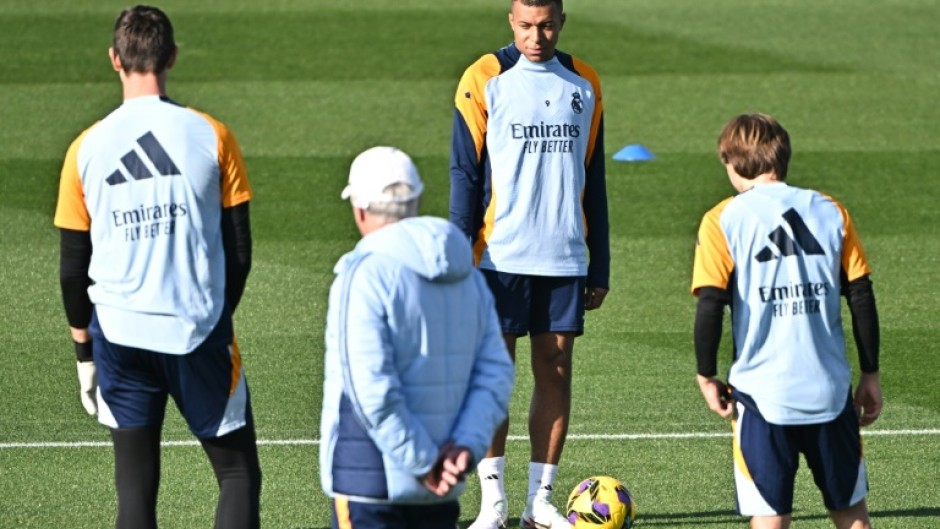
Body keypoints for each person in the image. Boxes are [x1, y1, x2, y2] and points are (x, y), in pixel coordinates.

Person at [53, 6, 261, 529]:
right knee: (236, 473)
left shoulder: (84, 150)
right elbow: (239, 250)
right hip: (196, 331)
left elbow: (73, 269)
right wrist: (214, 314)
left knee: (135, 492)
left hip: (119, 336)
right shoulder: (212, 135)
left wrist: (85, 353)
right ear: (171, 56)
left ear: (114, 60)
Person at [448, 0, 609, 527]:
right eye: (525, 26)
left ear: (562, 22)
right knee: (494, 376)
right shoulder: (484, 77)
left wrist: (599, 262)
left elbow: (595, 180)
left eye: (545, 26)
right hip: (498, 256)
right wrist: (457, 252)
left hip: (563, 255)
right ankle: (491, 503)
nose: (535, 36)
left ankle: (538, 502)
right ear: (510, 22)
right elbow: (464, 173)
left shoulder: (584, 82)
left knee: (555, 370)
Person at [691, 113, 883, 529]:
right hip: (830, 392)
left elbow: (710, 305)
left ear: (734, 163)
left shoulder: (723, 218)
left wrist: (706, 374)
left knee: (771, 518)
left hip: (762, 397)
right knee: (852, 516)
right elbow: (862, 297)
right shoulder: (830, 211)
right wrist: (871, 373)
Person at [319, 146, 516, 529]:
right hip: (441, 485)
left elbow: (370, 389)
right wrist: (464, 449)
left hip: (370, 482)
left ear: (360, 209)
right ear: (418, 200)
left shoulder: (362, 275)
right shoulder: (467, 275)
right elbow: (495, 374)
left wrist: (424, 461)